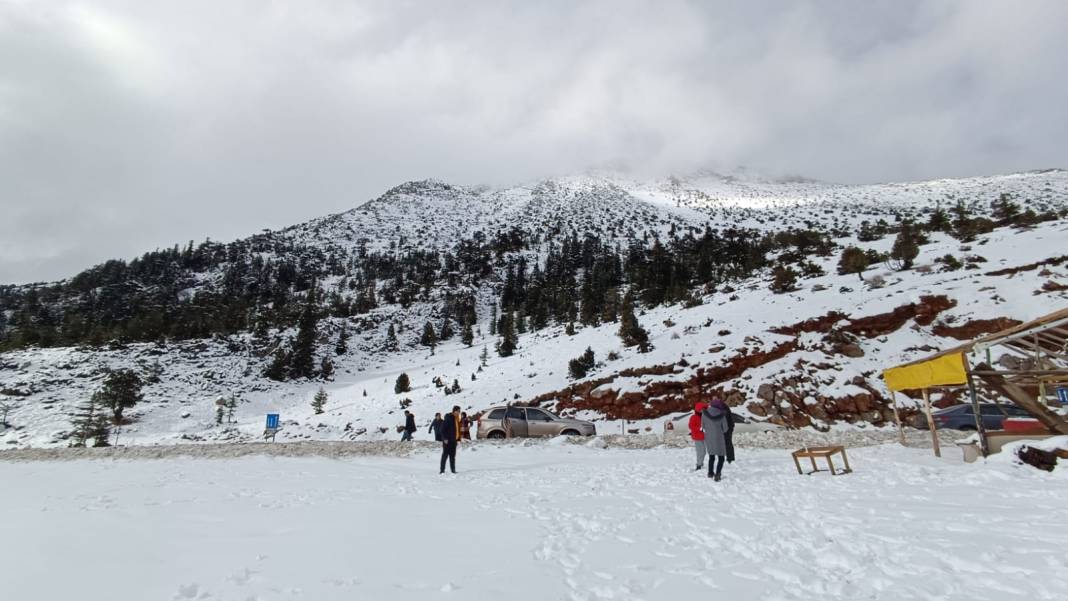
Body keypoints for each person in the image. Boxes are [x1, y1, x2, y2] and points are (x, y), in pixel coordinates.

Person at [701, 399, 730, 481]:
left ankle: (710, 473)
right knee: (721, 457)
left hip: (709, 438)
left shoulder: (704, 413)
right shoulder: (721, 414)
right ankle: (717, 474)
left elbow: (703, 426)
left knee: (711, 456)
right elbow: (725, 429)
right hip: (719, 438)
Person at [440, 405, 462, 474]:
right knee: (445, 456)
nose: (459, 412)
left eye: (459, 411)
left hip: (453, 441)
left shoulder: (457, 418)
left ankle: (453, 470)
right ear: (454, 411)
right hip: (447, 441)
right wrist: (445, 438)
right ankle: (442, 470)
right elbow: (442, 429)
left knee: (452, 457)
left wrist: (458, 439)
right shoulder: (449, 418)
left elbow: (456, 429)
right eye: (458, 411)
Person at [688, 402, 707, 471]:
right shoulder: (694, 417)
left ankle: (700, 463)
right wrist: (699, 428)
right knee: (700, 451)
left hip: (704, 436)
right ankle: (699, 465)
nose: (704, 410)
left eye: (705, 409)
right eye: (703, 409)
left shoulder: (704, 416)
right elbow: (691, 426)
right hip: (697, 437)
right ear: (699, 409)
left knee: (704, 451)